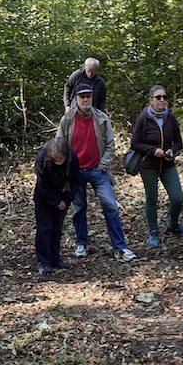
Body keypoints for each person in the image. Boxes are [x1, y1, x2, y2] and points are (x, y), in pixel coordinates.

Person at [57, 83, 136, 261]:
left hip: (98, 171)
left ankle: (120, 247)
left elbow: (110, 145)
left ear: (92, 98)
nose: (85, 99)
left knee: (110, 206)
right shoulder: (67, 120)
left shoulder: (101, 119)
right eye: (82, 96)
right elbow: (59, 146)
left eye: (88, 96)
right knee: (79, 208)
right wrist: (66, 171)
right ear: (76, 99)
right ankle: (81, 243)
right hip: (75, 172)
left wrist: (102, 165)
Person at [130, 85, 183, 247]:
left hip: (168, 164)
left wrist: (172, 149)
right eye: (158, 97)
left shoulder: (170, 117)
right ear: (151, 100)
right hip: (148, 165)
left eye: (164, 97)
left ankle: (173, 225)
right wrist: (152, 150)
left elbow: (179, 142)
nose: (162, 100)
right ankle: (153, 232)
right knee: (152, 198)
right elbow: (135, 143)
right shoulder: (144, 118)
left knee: (178, 198)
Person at [31, 137, 81, 274]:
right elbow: (42, 184)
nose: (58, 161)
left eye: (61, 158)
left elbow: (76, 180)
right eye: (56, 159)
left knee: (57, 228)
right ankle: (43, 261)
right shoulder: (43, 157)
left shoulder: (73, 158)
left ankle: (55, 258)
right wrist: (56, 201)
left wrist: (67, 199)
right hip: (45, 197)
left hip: (63, 194)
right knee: (44, 228)